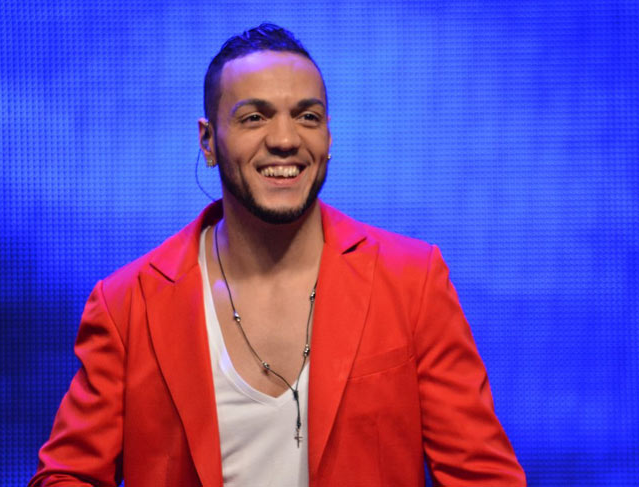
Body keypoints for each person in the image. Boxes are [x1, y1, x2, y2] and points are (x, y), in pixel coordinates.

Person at [30, 23, 526, 487]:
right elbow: (66, 476)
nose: (285, 140)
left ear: (328, 138)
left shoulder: (410, 280)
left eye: (307, 117)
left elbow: (483, 475)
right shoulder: (128, 304)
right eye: (254, 117)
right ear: (208, 140)